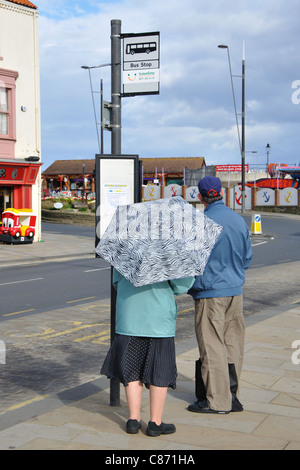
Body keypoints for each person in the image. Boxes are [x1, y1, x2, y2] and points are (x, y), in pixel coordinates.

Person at [101, 268, 195, 436]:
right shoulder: (167, 250)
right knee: (159, 370)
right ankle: (155, 423)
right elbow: (182, 286)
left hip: (128, 318)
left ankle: (133, 419)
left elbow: (116, 282)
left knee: (131, 369)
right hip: (158, 320)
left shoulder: (126, 246)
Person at [187, 176, 253, 414]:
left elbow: (191, 262)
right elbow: (247, 258)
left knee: (212, 346)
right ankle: (232, 396)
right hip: (235, 291)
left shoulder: (202, 222)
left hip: (210, 293)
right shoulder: (238, 220)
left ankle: (217, 401)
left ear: (201, 196)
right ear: (222, 193)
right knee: (232, 343)